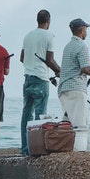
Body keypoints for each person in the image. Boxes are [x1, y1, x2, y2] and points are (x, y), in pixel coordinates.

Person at [20, 9, 59, 155]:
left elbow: (22, 58)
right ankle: (37, 150)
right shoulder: (50, 36)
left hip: (28, 78)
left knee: (26, 115)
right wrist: (58, 70)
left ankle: (25, 149)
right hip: (41, 79)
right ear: (48, 21)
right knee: (40, 117)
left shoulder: (27, 36)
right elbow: (50, 60)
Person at [58, 17, 90, 129]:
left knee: (67, 125)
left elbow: (82, 63)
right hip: (76, 90)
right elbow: (85, 69)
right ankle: (79, 146)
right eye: (86, 29)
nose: (86, 32)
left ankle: (67, 146)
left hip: (64, 90)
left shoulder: (68, 46)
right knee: (80, 125)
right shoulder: (82, 46)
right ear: (82, 30)